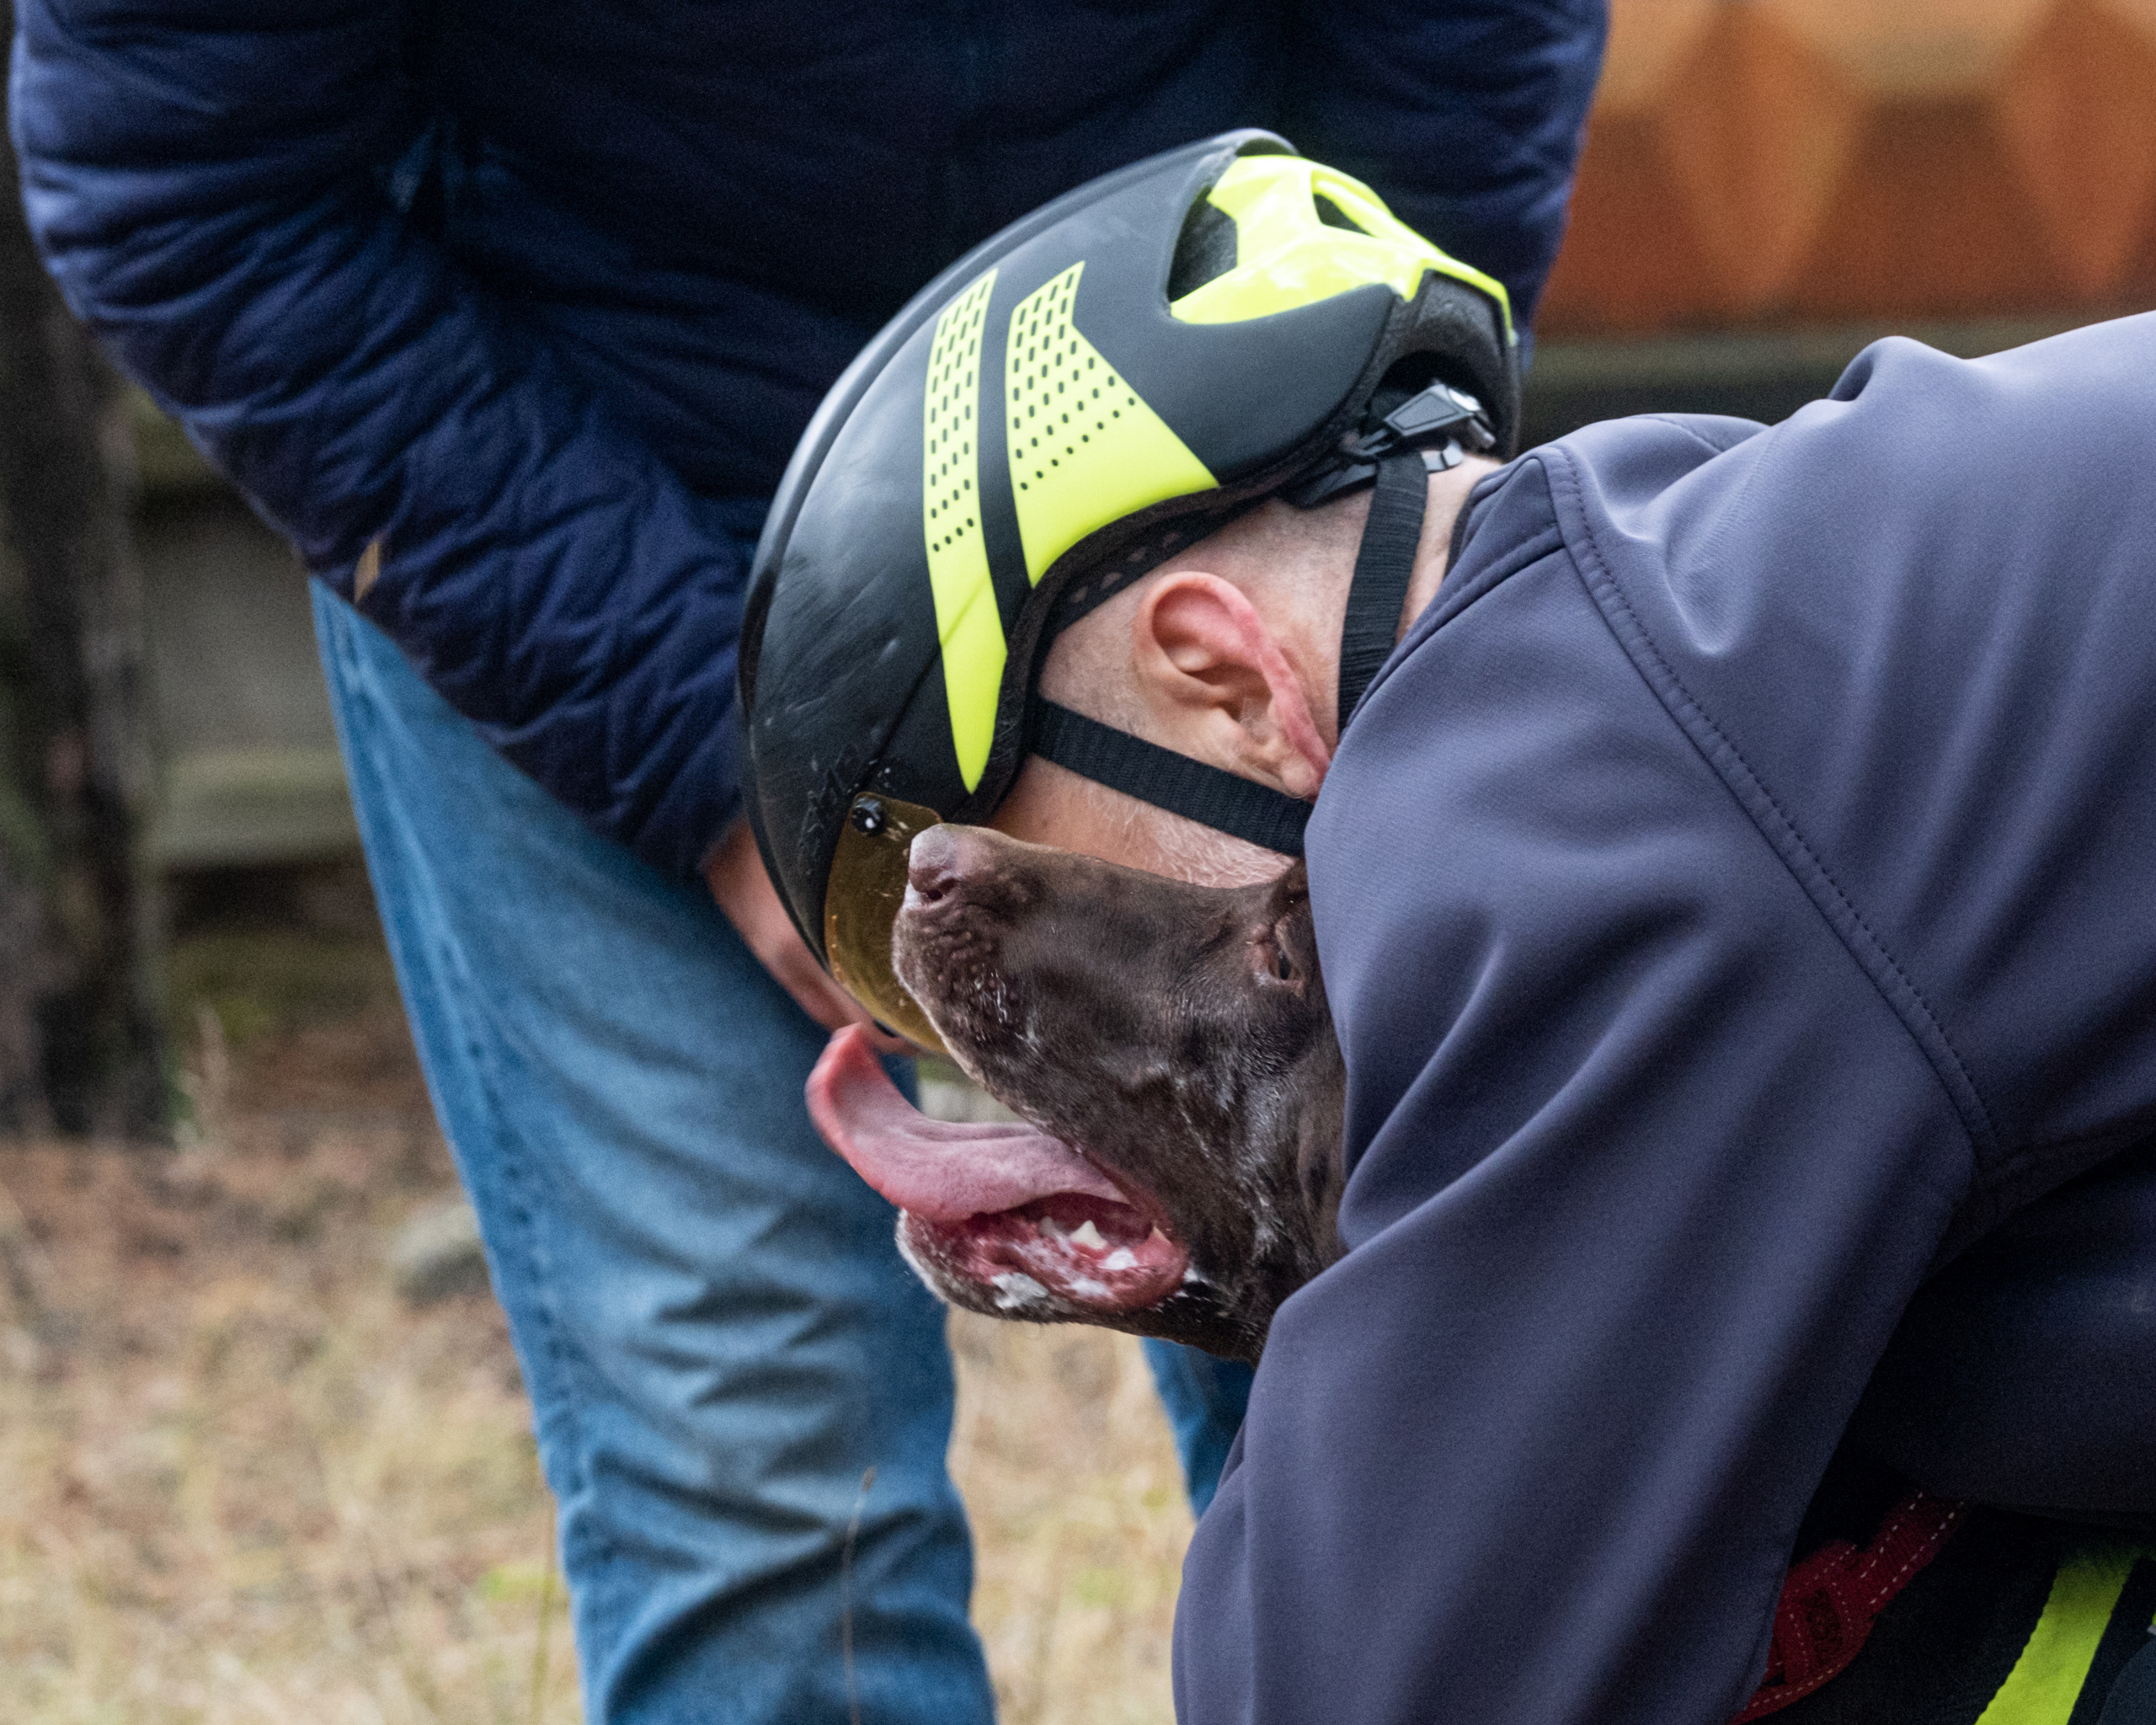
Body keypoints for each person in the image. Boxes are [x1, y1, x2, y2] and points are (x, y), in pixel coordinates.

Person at [8, 7, 1607, 1721]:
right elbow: (178, 165)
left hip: (1204, 474)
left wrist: (1344, 462)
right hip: (589, 478)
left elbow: (1469, 41)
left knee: (1404, 1398)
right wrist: (692, 751)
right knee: (759, 1488)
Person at [742, 134, 2156, 1722]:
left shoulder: (1570, 801)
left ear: (1226, 681)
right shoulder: (1735, 594)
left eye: (1034, 846)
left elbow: (1381, 1687)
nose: (1008, 906)